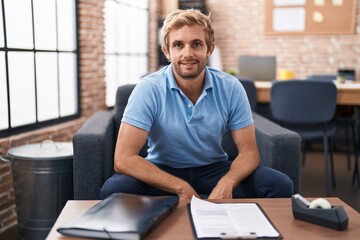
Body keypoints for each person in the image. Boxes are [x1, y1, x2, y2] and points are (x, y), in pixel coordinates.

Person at [100, 9, 293, 201]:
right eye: (178, 45)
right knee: (116, 188)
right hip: (161, 170)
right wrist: (181, 187)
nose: (187, 53)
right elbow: (124, 158)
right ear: (167, 51)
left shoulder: (231, 87)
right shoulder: (148, 88)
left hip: (214, 170)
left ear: (209, 49)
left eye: (196, 44)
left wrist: (227, 182)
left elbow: (249, 153)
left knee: (279, 184)